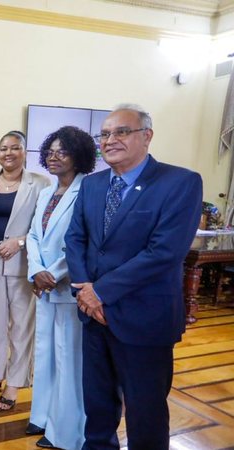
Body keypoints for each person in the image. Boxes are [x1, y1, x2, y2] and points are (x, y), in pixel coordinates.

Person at [66, 105, 202, 450]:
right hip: (93, 316)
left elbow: (164, 252)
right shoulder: (93, 184)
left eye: (121, 132)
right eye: (105, 134)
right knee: (97, 405)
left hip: (145, 319)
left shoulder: (180, 182)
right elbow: (75, 239)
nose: (110, 140)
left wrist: (100, 292)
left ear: (147, 136)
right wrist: (84, 291)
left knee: (145, 413)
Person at [26, 126, 96, 449]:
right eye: (50, 152)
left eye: (62, 152)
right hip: (43, 287)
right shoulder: (46, 193)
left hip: (68, 289)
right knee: (45, 354)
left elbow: (81, 243)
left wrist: (50, 274)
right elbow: (33, 236)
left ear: (78, 156)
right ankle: (42, 415)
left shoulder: (87, 191)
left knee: (68, 360)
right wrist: (36, 271)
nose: (54, 157)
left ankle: (65, 433)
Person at [0, 130, 50, 411]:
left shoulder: (40, 183)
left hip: (22, 259)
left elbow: (45, 226)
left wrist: (19, 242)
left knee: (21, 324)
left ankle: (15, 383)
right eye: (4, 148)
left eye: (15, 147)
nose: (9, 153)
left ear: (24, 151)